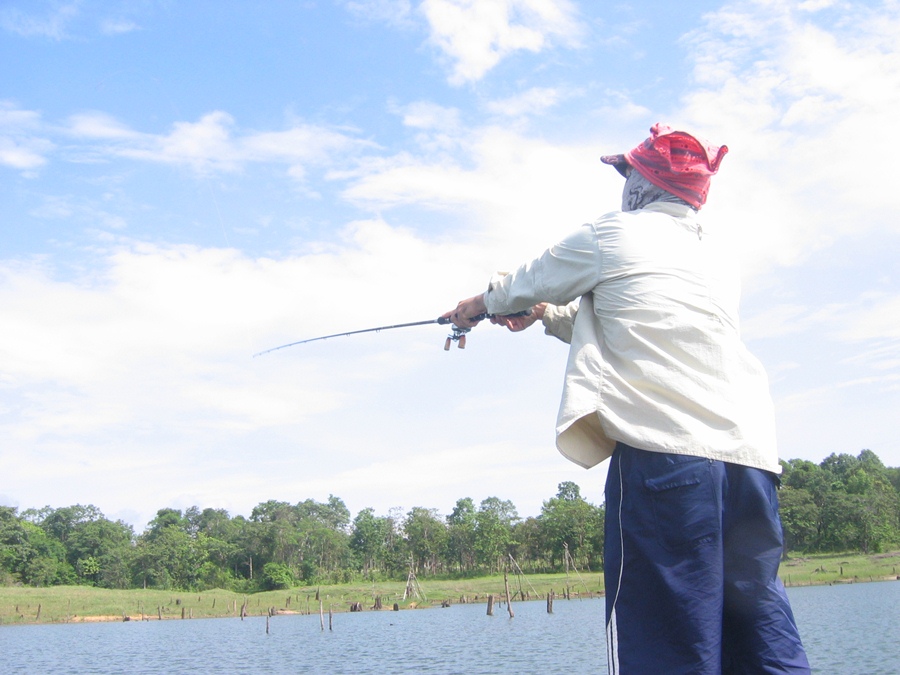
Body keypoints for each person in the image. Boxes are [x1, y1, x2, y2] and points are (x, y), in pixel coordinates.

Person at [443, 124, 810, 674]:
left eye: (627, 173)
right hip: (751, 464)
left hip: (668, 464)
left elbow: (531, 279)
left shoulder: (612, 234)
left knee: (668, 641)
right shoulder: (714, 258)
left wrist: (476, 305)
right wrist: (546, 315)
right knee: (759, 627)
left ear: (644, 184)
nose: (622, 184)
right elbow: (632, 323)